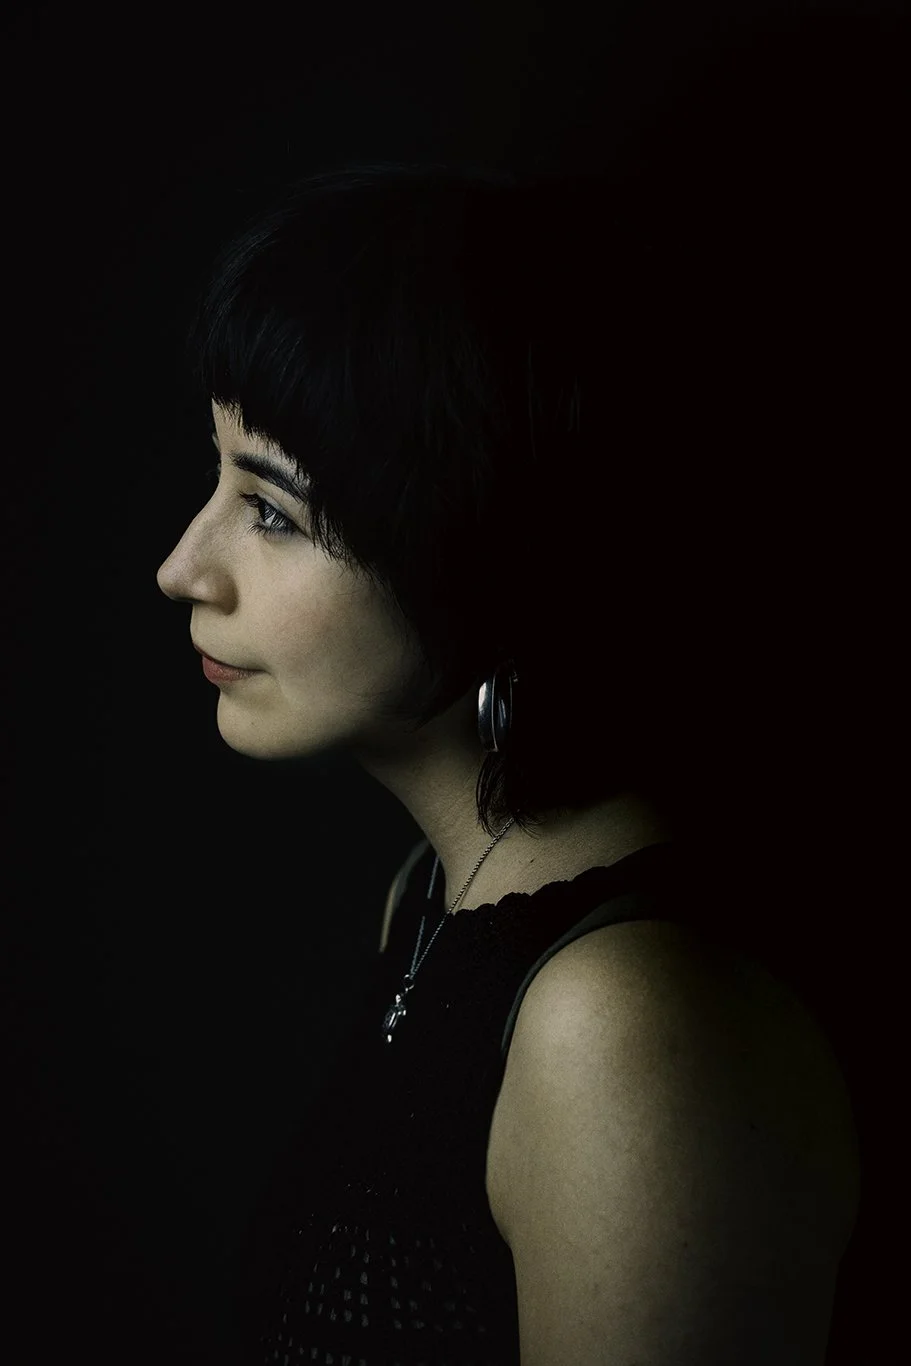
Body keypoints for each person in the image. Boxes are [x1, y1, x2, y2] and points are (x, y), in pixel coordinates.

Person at [156, 160, 861, 1365]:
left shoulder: (619, 1027)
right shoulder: (432, 907)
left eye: (271, 510)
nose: (184, 567)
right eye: (216, 481)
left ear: (476, 549)